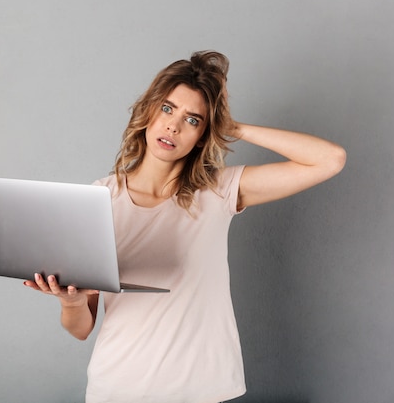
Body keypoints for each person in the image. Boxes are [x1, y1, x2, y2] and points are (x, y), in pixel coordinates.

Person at [23, 50, 346, 403]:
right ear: (148, 111)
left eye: (193, 120)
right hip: (117, 388)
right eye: (167, 108)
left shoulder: (218, 190)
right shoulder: (99, 198)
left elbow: (330, 159)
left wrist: (233, 128)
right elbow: (81, 329)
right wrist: (71, 303)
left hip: (203, 391)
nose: (173, 126)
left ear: (203, 134)